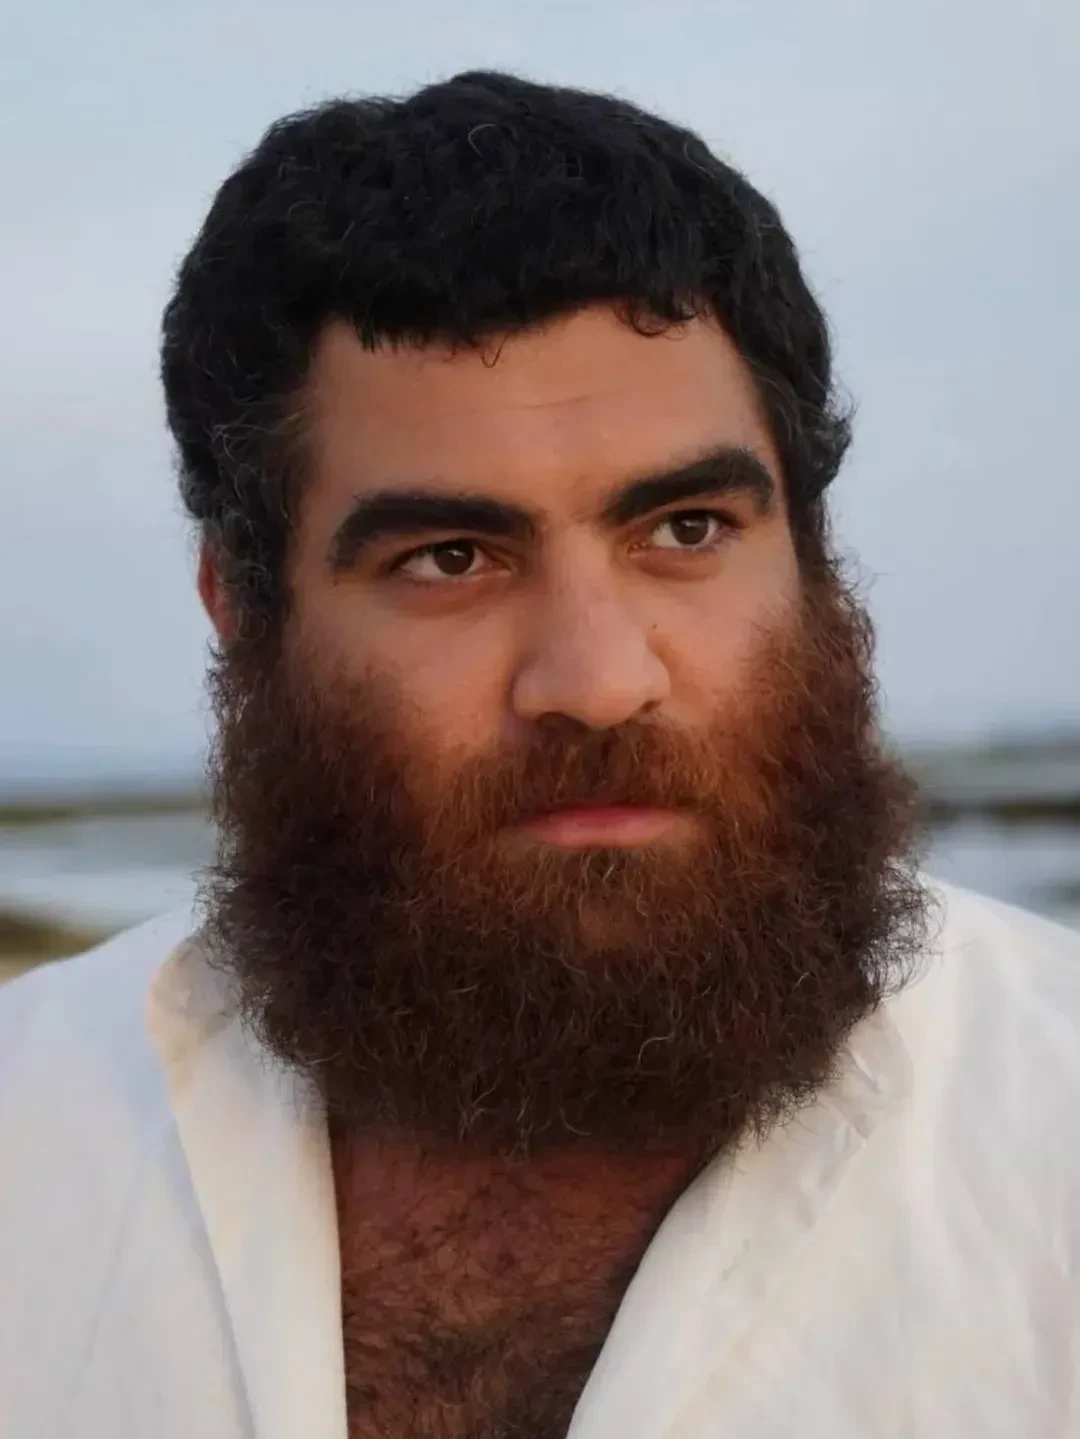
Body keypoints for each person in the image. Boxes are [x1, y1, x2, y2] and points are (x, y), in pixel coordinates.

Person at [1, 69, 1077, 1439]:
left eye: (685, 530)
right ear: (242, 606)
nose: (600, 682)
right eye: (451, 558)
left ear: (811, 561)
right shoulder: (29, 1136)